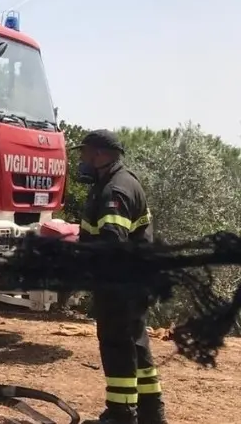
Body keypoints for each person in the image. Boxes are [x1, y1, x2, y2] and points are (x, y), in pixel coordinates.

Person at [74, 130, 166, 424]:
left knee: (117, 346)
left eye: (85, 153)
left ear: (100, 155)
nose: (81, 159)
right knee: (136, 345)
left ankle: (121, 414)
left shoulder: (114, 190)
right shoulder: (121, 181)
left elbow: (113, 242)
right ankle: (151, 413)